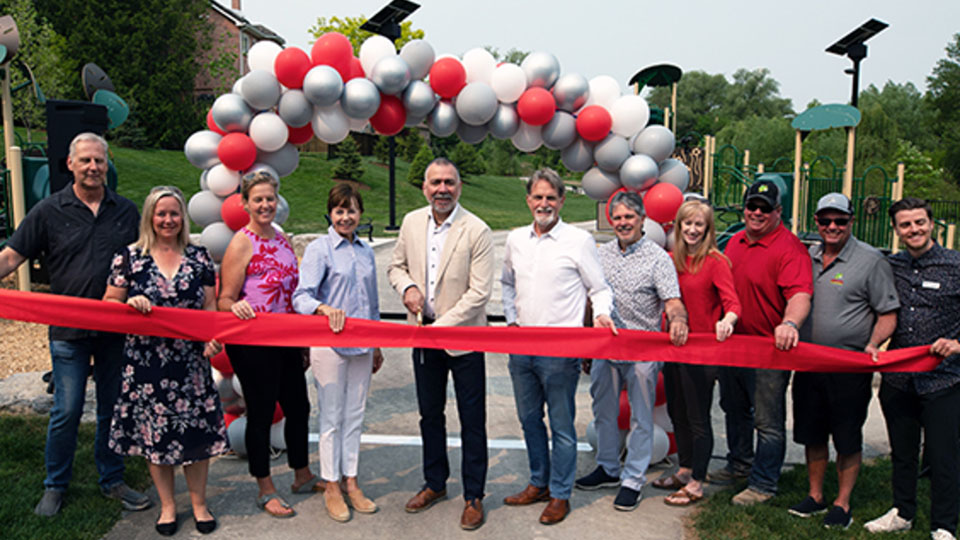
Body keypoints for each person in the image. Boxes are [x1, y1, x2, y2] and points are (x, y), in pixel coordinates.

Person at [0, 132, 149, 517]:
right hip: (68, 334)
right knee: (66, 410)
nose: (93, 167)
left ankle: (112, 479)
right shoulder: (49, 210)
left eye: (99, 160)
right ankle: (55, 486)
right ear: (70, 164)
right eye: (85, 160)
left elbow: (148, 262)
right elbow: (11, 257)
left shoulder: (126, 211)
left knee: (111, 410)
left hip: (116, 332)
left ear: (107, 164)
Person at [103, 186, 228, 535]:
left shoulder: (200, 257)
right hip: (146, 364)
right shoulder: (129, 257)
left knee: (196, 437)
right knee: (154, 438)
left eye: (174, 213)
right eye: (161, 214)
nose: (168, 220)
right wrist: (128, 304)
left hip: (190, 363)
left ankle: (199, 504)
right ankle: (168, 506)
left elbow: (209, 308)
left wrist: (212, 337)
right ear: (150, 217)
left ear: (182, 217)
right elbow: (108, 303)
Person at [500, 168, 616, 525]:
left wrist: (601, 316)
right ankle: (539, 482)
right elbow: (507, 283)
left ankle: (561, 493)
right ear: (528, 200)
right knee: (529, 419)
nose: (544, 203)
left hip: (560, 352)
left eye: (551, 197)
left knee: (562, 426)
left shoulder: (578, 242)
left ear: (562, 201)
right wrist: (511, 320)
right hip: (521, 348)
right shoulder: (515, 240)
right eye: (538, 197)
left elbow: (599, 288)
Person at [387, 158, 494, 530]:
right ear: (425, 187)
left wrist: (441, 328)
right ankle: (435, 483)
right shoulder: (412, 222)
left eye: (449, 182)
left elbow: (479, 293)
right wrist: (408, 287)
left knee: (472, 419)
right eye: (436, 182)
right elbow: (395, 266)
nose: (442, 189)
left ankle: (473, 495)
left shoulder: (476, 230)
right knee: (430, 415)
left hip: (463, 338)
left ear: (459, 187)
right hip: (423, 335)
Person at [787, 193, 899, 529]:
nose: (832, 227)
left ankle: (843, 502)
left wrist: (874, 343)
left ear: (852, 221)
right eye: (825, 221)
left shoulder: (871, 261)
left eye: (840, 221)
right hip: (809, 364)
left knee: (847, 436)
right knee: (813, 433)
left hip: (849, 367)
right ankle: (816, 495)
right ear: (816, 222)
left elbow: (888, 313)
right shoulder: (805, 257)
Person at [574, 191, 690, 511]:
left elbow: (673, 302)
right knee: (604, 412)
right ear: (611, 221)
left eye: (629, 217)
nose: (623, 222)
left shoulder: (657, 258)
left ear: (642, 219)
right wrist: (586, 343)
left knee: (641, 418)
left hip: (642, 352)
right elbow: (590, 299)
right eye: (618, 217)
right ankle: (609, 468)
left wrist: (679, 321)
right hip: (605, 349)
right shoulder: (601, 254)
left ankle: (633, 479)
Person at [217, 171, 316, 518]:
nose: (265, 205)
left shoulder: (282, 237)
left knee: (298, 407)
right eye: (257, 199)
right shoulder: (241, 243)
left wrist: (303, 340)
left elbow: (291, 292)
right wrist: (236, 306)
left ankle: (302, 474)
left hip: (287, 337)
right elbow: (224, 299)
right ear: (245, 204)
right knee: (260, 413)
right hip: (254, 343)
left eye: (270, 198)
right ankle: (265, 487)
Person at [711, 179, 813, 506]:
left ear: (778, 212)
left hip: (770, 349)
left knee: (767, 420)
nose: (757, 213)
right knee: (733, 408)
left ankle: (764, 482)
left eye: (765, 208)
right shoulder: (735, 241)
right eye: (752, 206)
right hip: (733, 345)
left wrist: (790, 322)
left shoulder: (789, 248)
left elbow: (799, 294)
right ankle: (739, 464)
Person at [864, 197, 960, 540]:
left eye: (919, 222)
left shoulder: (956, 265)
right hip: (899, 379)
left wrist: (958, 346)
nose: (913, 229)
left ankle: (944, 525)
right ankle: (902, 512)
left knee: (943, 455)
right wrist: (872, 344)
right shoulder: (891, 266)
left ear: (932, 224)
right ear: (896, 230)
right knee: (902, 453)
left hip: (944, 380)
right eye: (905, 224)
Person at [293, 183, 384, 523]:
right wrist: (321, 308)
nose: (346, 217)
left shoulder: (366, 252)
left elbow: (372, 303)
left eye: (352, 210)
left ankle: (352, 481)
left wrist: (376, 344)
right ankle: (331, 484)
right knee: (331, 417)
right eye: (339, 210)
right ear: (330, 214)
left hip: (362, 345)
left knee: (355, 414)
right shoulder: (320, 250)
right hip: (329, 345)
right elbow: (300, 297)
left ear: (360, 214)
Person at [651, 199, 740, 506]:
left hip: (702, 353)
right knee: (678, 413)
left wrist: (728, 321)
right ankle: (685, 469)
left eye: (698, 224)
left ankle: (698, 481)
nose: (692, 229)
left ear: (708, 229)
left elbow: (733, 303)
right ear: (678, 226)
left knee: (697, 416)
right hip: (673, 348)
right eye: (687, 223)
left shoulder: (716, 262)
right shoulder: (669, 260)